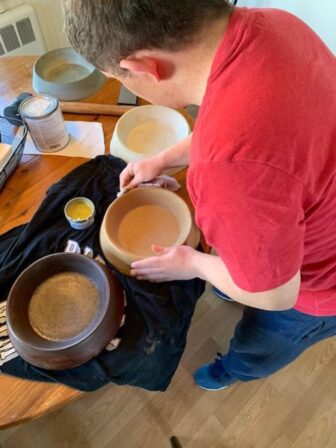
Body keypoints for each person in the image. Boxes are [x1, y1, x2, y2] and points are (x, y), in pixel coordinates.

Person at [63, 0, 336, 391]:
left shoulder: (230, 170)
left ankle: (236, 369)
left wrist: (193, 263)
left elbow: (278, 294)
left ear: (141, 68)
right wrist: (165, 158)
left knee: (265, 340)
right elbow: (244, 117)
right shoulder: (272, 24)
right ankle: (235, 278)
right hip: (312, 197)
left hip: (319, 286)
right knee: (240, 268)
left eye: (119, 79)